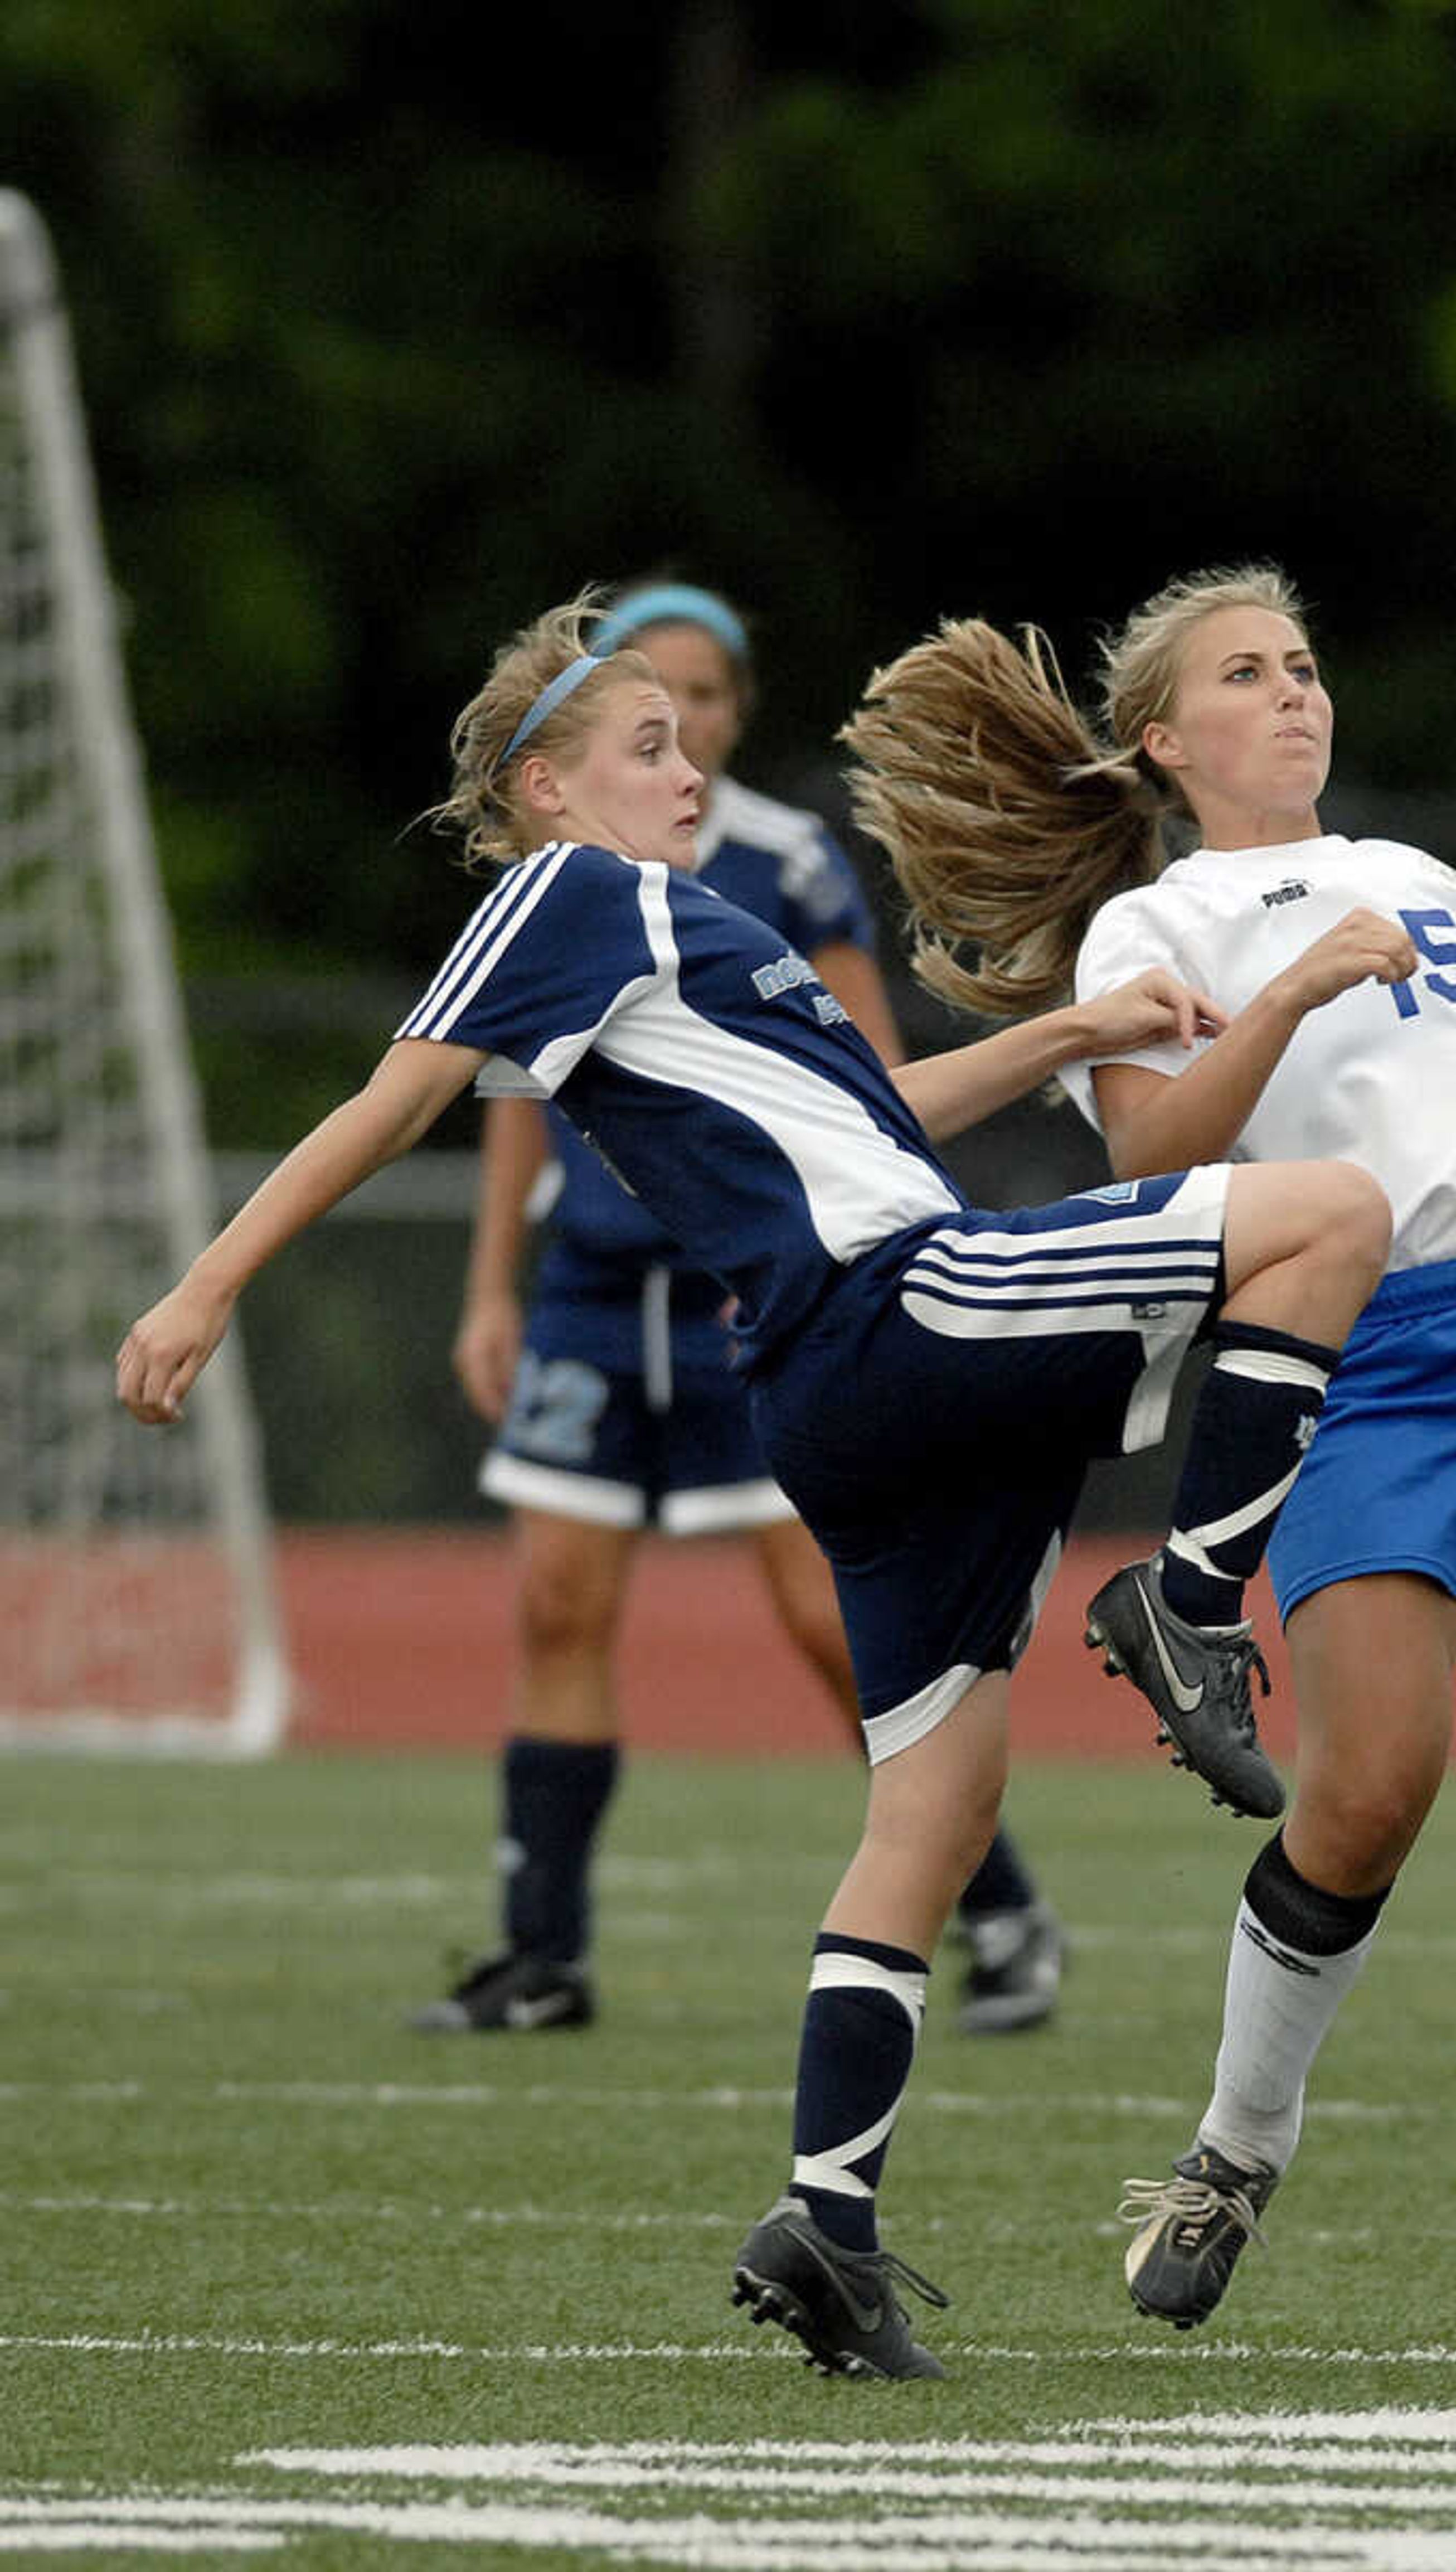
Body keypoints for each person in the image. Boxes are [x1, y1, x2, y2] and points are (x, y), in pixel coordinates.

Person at [114, 592, 1391, 2381]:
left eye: (685, 734)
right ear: (544, 789)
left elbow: (873, 1113)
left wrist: (1066, 1031)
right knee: (1332, 1209)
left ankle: (829, 2224)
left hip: (845, 1387)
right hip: (892, 1316)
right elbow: (395, 1098)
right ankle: (1186, 1609)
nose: (683, 762)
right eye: (641, 745)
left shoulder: (689, 922)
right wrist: (207, 1279)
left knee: (934, 1810)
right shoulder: (570, 891)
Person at [841, 563, 1456, 2332]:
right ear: (1168, 739)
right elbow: (1159, 1164)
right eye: (1249, 672)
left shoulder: (1423, 875)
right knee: (1371, 1788)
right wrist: (1292, 991)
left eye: (1305, 663)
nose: (1297, 693)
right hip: (1372, 1360)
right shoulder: (1156, 930)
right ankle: (1234, 2147)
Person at [428, 579, 1064, 2042]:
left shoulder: (776, 857)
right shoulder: (564, 879)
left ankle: (998, 1893)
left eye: (705, 697)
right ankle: (543, 1951)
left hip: (753, 1292)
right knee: (556, 1599)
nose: (690, 728)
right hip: (592, 1296)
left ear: (737, 703)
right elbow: (512, 1086)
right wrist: (490, 1286)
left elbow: (875, 1080)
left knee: (827, 1618)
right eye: (659, 704)